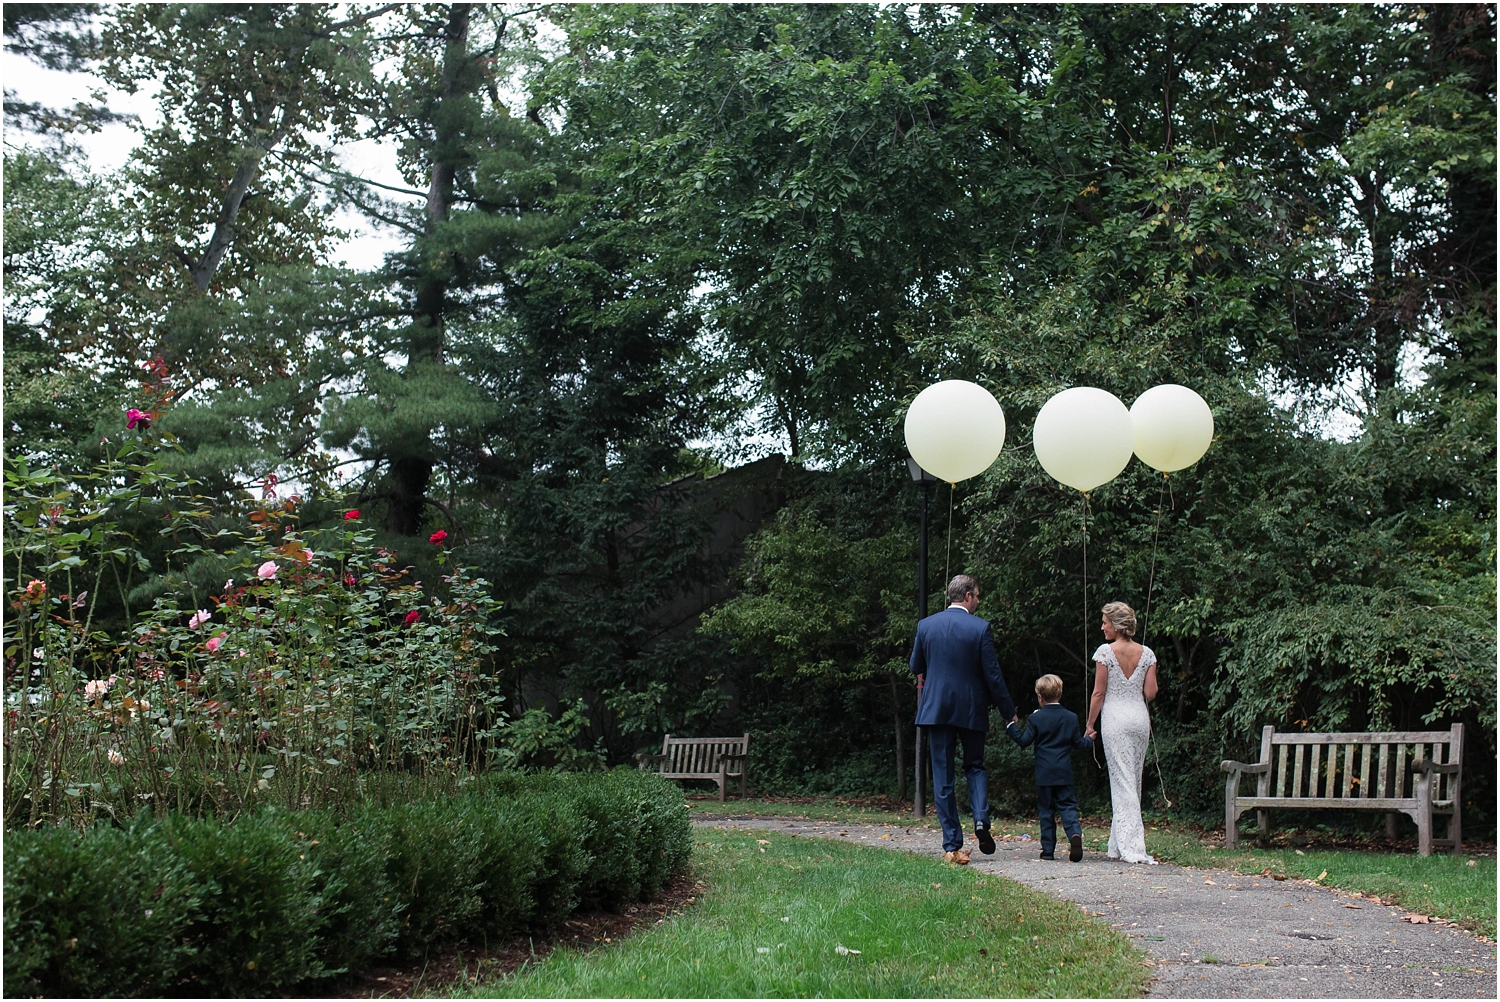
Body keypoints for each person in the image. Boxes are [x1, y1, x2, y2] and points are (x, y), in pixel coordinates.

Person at [909, 574, 1017, 864]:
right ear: (967, 596)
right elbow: (993, 676)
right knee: (975, 767)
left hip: (936, 710)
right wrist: (1009, 713)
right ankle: (981, 820)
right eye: (977, 595)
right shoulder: (980, 628)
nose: (979, 601)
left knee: (943, 776)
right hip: (970, 708)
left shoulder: (926, 625)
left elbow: (915, 665)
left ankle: (952, 842)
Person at [1084, 601, 1159, 864]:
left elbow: (1098, 693)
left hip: (1115, 719)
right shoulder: (1147, 653)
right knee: (1131, 780)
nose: (1102, 626)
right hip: (1139, 719)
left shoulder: (1105, 652)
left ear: (1116, 625)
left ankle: (1133, 847)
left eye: (1105, 622)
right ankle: (1117, 844)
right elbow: (1150, 693)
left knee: (1123, 780)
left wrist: (1090, 724)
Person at [1006, 673, 1093, 861]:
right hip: (1064, 772)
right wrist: (1090, 739)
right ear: (1060, 694)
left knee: (1046, 810)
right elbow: (1078, 744)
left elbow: (1023, 741)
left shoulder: (1036, 719)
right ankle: (1074, 835)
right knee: (1068, 806)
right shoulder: (1070, 717)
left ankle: (1047, 850)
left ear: (1040, 697)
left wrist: (1011, 726)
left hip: (1044, 773)